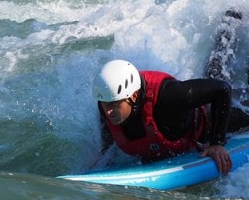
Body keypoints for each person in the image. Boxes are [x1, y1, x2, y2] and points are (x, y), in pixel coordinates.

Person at [93, 59, 235, 174]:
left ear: (134, 96)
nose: (109, 111)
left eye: (115, 104)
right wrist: (103, 161)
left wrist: (217, 143)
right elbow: (109, 145)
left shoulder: (169, 97)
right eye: (105, 104)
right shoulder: (107, 107)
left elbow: (222, 89)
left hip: (207, 121)